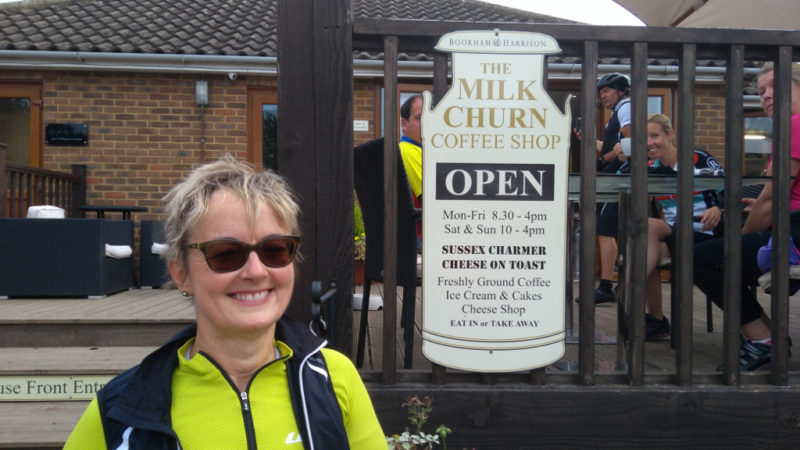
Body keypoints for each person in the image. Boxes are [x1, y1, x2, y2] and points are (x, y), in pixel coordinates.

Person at [64, 155, 385, 448]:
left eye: (274, 250)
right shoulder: (121, 410)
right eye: (226, 253)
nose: (256, 271)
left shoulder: (334, 378)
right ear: (181, 273)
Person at [693, 62, 800, 371]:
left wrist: (741, 239)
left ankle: (762, 339)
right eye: (761, 91)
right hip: (792, 224)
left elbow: (772, 197)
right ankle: (769, 337)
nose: (766, 96)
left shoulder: (794, 124)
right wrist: (765, 207)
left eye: (775, 87)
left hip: (794, 236)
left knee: (699, 258)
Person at [638, 114, 725, 341]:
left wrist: (719, 209)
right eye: (644, 138)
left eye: (654, 136)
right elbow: (616, 180)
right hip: (674, 232)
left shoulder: (698, 158)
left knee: (647, 248)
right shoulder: (649, 166)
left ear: (670, 135)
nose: (649, 143)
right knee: (646, 236)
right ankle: (656, 320)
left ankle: (632, 292)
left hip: (706, 233)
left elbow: (731, 190)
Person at [575, 73, 632, 303]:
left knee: (605, 229)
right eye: (601, 93)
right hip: (616, 176)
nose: (603, 96)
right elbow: (612, 150)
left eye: (606, 91)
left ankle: (607, 285)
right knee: (608, 229)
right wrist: (590, 140)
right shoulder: (617, 113)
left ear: (620, 90)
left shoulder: (626, 106)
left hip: (622, 178)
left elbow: (628, 145)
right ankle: (614, 284)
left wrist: (606, 158)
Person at [399, 94, 423, 251]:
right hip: (421, 240)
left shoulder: (422, 151)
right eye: (419, 118)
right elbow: (434, 200)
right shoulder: (408, 151)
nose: (426, 122)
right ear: (404, 123)